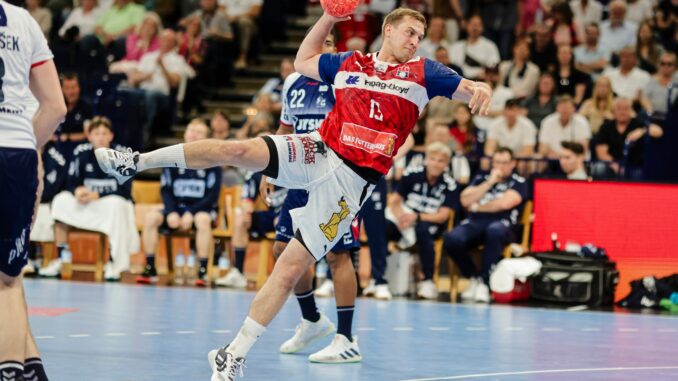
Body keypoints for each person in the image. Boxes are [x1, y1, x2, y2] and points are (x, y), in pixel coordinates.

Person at [94, 8, 492, 380]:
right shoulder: (350, 63)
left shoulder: (424, 71)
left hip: (350, 185)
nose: (415, 40)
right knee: (237, 149)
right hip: (319, 149)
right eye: (409, 32)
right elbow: (303, 61)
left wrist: (480, 87)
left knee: (289, 267)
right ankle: (136, 161)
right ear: (387, 30)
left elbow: (467, 86)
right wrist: (328, 18)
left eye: (420, 35)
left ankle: (233, 355)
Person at [0, 3, 67, 381]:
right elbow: (56, 106)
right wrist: (30, 146)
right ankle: (27, 369)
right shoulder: (22, 21)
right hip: (20, 155)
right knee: (8, 279)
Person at [49, 117, 140, 281]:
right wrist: (77, 190)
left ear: (111, 136)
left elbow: (125, 190)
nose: (100, 137)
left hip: (111, 203)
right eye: (96, 133)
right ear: (89, 136)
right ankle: (62, 258)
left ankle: (116, 262)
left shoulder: (123, 154)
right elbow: (69, 182)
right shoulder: (80, 151)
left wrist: (98, 195)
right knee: (61, 200)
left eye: (104, 133)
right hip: (87, 203)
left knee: (117, 205)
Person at [137, 119, 222, 286]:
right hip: (176, 208)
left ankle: (202, 271)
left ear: (206, 137)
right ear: (185, 134)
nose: (193, 134)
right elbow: (166, 190)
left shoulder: (213, 162)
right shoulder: (172, 159)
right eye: (191, 130)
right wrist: (172, 212)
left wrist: (191, 212)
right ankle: (150, 268)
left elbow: (212, 196)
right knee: (151, 218)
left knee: (202, 220)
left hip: (201, 209)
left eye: (199, 132)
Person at [443, 147, 527, 303]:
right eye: (497, 162)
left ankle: (485, 282)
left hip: (503, 223)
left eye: (504, 162)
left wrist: (477, 206)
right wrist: (489, 183)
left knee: (494, 231)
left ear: (512, 164)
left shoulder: (519, 182)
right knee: (452, 238)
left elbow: (504, 204)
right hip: (476, 222)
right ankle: (474, 277)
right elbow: (464, 200)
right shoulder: (483, 178)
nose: (500, 166)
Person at [385, 142, 458, 300]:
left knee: (423, 230)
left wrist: (417, 218)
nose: (436, 163)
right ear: (426, 159)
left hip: (430, 221)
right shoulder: (412, 174)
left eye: (441, 160)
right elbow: (395, 201)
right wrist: (400, 217)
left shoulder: (450, 184)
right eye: (433, 159)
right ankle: (378, 279)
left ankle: (428, 281)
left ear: (446, 164)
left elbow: (443, 216)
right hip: (405, 218)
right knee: (383, 227)